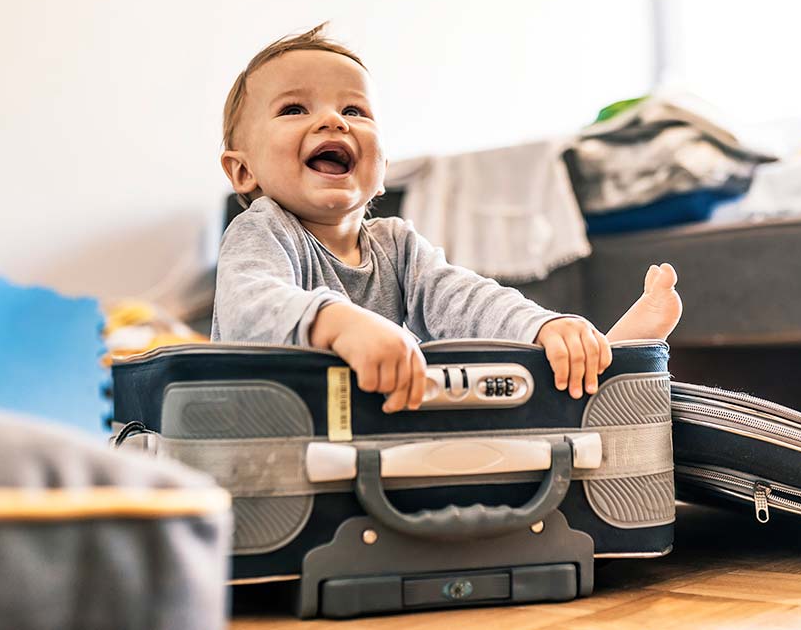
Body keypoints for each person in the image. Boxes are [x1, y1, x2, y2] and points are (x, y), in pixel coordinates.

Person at [213, 23, 682, 413]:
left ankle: (600, 364)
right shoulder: (263, 229)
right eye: (294, 108)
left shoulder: (396, 245)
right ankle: (598, 379)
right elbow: (249, 308)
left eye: (354, 110)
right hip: (274, 438)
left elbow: (468, 302)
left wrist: (543, 327)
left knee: (495, 391)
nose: (334, 122)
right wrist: (337, 322)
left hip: (375, 439)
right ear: (242, 169)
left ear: (382, 175)